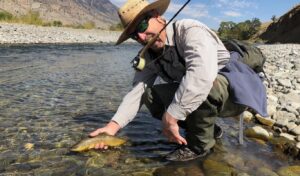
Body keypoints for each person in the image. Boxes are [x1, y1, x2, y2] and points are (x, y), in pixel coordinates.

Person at [89, 0, 268, 161]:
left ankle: (199, 148)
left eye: (142, 26)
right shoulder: (148, 56)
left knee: (204, 86)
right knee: (150, 95)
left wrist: (171, 115)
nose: (142, 37)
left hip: (235, 94)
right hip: (207, 98)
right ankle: (210, 131)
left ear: (158, 17)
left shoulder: (190, 30)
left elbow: (201, 75)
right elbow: (137, 92)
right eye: (135, 35)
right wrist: (112, 127)